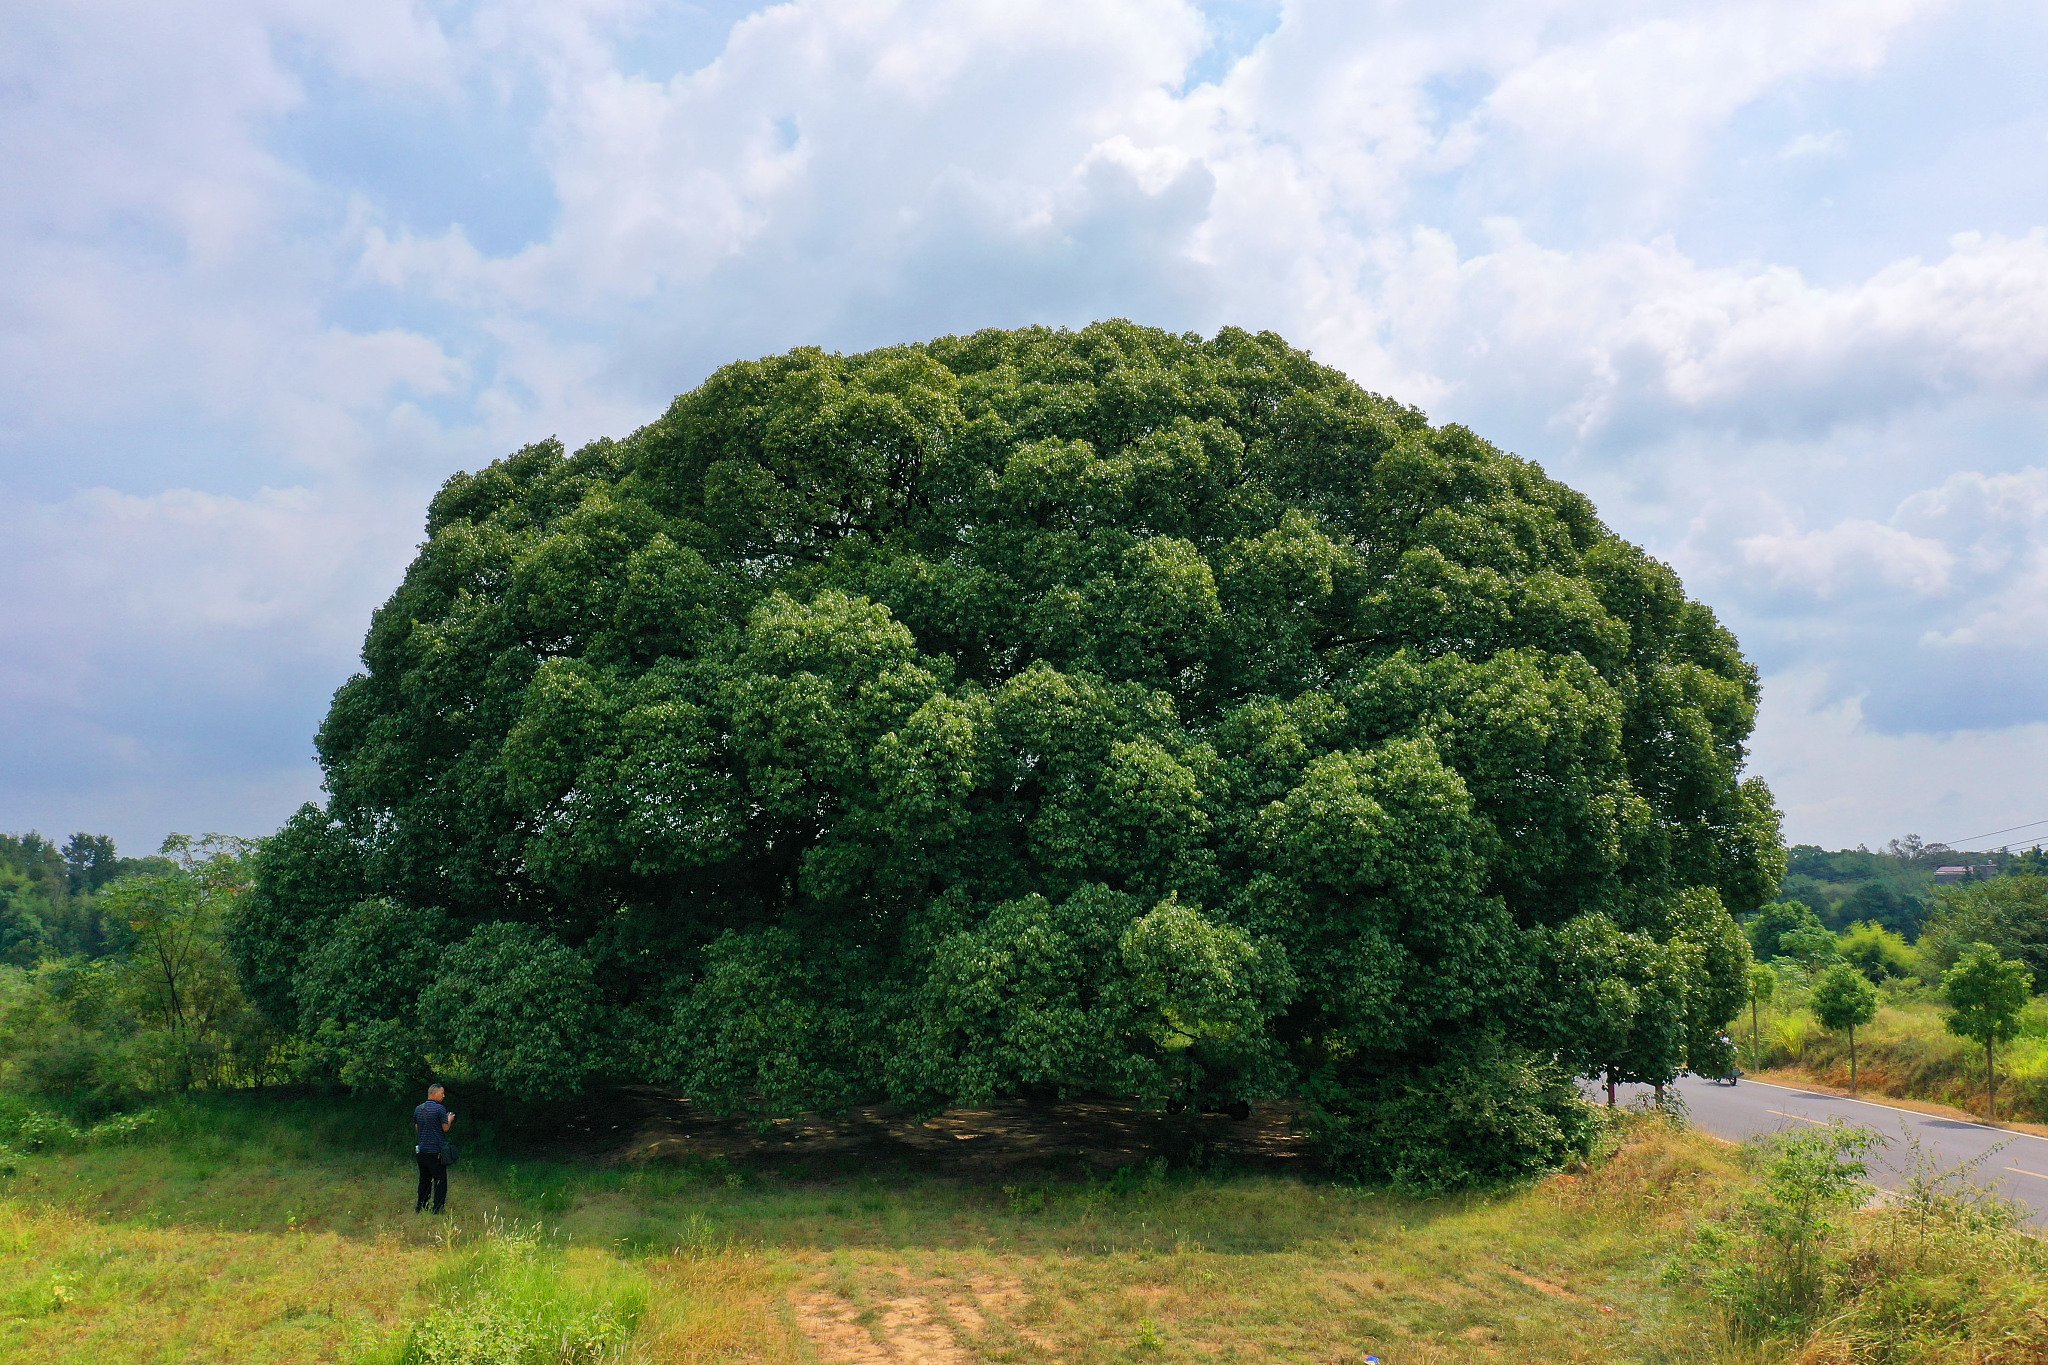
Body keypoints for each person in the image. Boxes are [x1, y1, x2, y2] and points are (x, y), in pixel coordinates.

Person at [413, 1082, 454, 1214]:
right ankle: (437, 1209)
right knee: (440, 1180)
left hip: (422, 1150)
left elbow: (417, 1128)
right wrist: (449, 1119)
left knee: (424, 1180)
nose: (443, 1095)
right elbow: (445, 1128)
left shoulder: (418, 1109)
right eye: (442, 1093)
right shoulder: (440, 1109)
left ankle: (421, 1206)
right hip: (436, 1151)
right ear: (434, 1093)